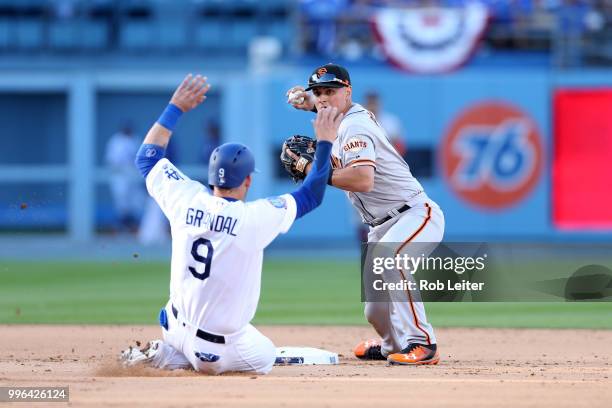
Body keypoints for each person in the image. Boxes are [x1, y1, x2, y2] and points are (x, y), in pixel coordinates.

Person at [120, 74, 340, 375]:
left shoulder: (186, 197)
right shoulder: (252, 219)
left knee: (192, 327)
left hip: (172, 324)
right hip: (215, 350)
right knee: (264, 357)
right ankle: (173, 358)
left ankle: (169, 352)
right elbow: (312, 194)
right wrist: (326, 141)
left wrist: (176, 107)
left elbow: (147, 158)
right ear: (248, 180)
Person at [285, 63, 445, 365]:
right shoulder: (343, 116)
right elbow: (325, 107)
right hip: (380, 224)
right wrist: (305, 101)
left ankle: (423, 343)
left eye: (330, 91)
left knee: (392, 258)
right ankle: (390, 345)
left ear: (348, 91)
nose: (323, 98)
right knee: (374, 310)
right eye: (318, 93)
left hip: (413, 214)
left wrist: (312, 171)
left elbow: (362, 180)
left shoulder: (355, 127)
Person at [105, 122, 143, 233]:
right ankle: (120, 227)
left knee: (136, 202)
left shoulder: (135, 139)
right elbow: (112, 161)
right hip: (119, 177)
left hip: (133, 176)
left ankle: (132, 227)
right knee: (122, 204)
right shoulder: (115, 141)